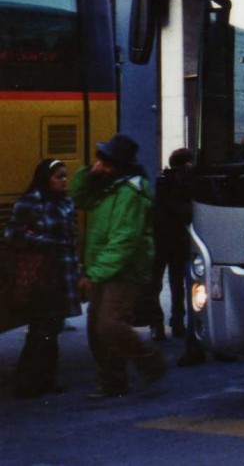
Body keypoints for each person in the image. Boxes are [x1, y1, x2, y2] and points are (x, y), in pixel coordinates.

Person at [72, 133, 168, 399]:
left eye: (105, 162)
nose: (100, 165)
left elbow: (124, 239)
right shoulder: (110, 186)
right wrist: (90, 172)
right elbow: (79, 197)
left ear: (119, 166)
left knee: (109, 325)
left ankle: (150, 359)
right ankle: (113, 380)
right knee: (96, 329)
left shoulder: (130, 194)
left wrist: (96, 272)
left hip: (125, 270)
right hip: (107, 267)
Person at [5, 159, 82, 398]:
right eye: (58, 176)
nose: (63, 180)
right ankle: (27, 382)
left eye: (65, 176)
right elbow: (13, 234)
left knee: (52, 327)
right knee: (40, 328)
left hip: (62, 274)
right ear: (45, 178)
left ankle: (46, 378)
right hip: (40, 276)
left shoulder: (66, 203)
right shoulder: (30, 203)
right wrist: (46, 243)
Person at [150, 148, 194, 341]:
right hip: (178, 240)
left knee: (155, 284)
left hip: (159, 238)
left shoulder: (161, 181)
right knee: (178, 285)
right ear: (186, 164)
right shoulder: (185, 182)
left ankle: (156, 324)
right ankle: (177, 322)